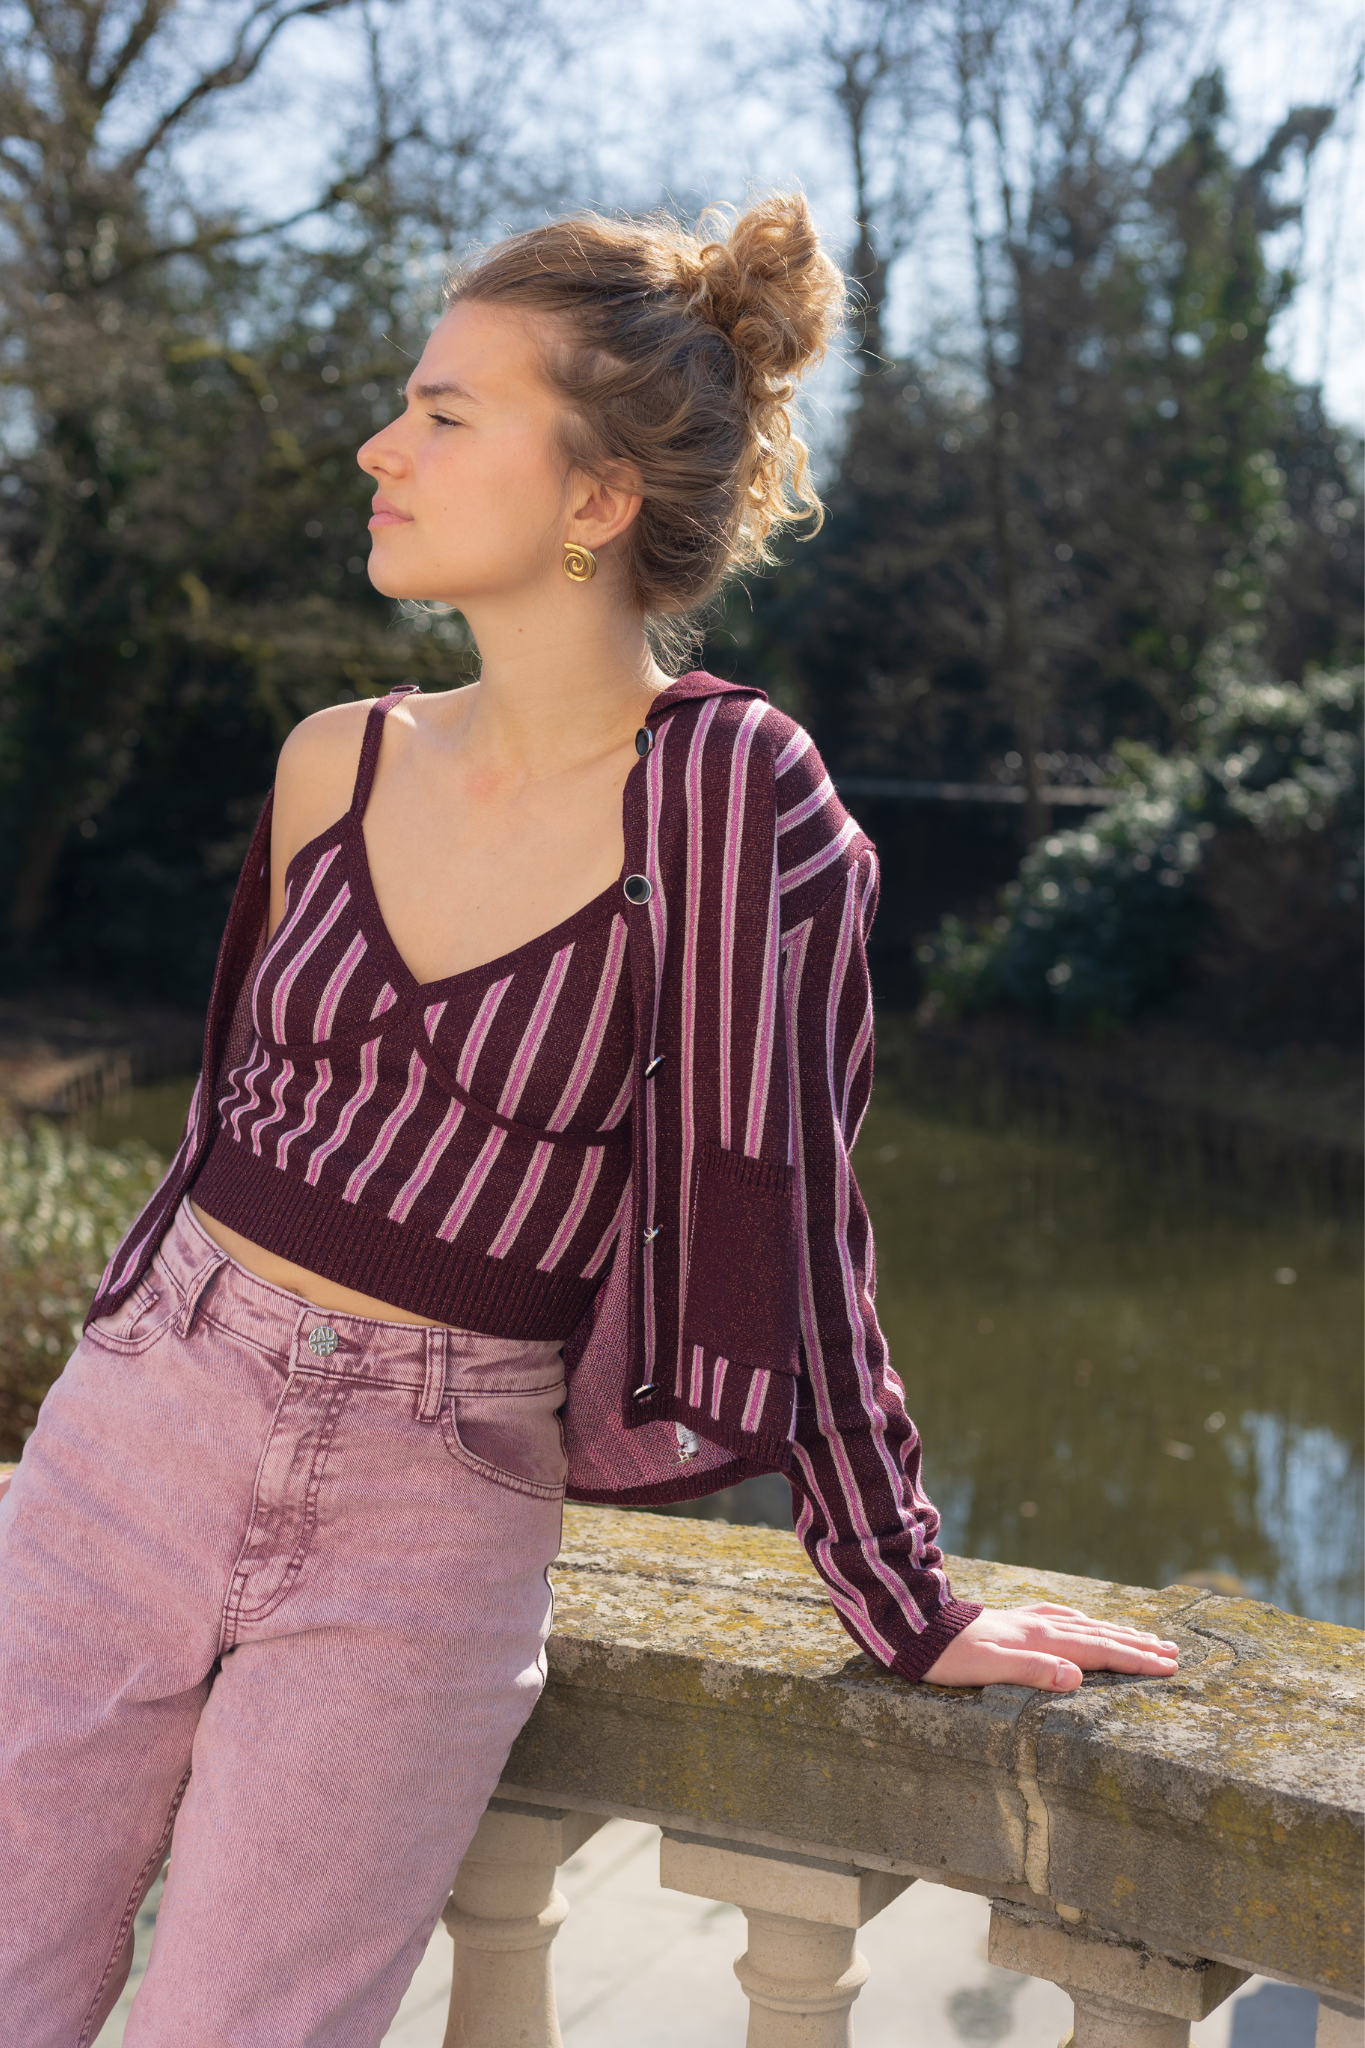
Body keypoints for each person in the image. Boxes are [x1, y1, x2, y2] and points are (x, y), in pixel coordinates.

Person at [0, 195, 1178, 2045]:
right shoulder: (337, 758)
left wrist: (900, 1586)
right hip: (139, 1423)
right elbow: (233, 1108)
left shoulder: (733, 799)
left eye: (448, 413)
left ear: (597, 496)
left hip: (432, 1500)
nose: (383, 446)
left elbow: (786, 1206)